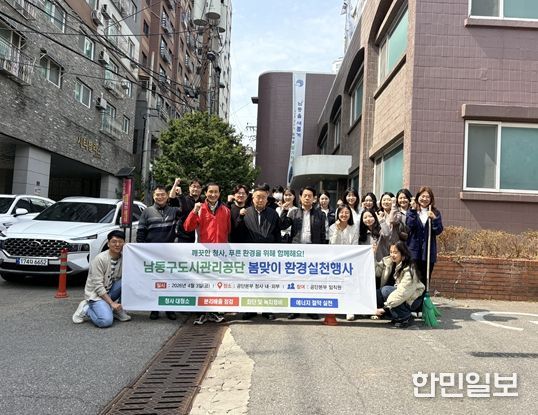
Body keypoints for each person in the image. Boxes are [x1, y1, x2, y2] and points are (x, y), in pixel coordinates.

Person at [184, 182, 231, 325]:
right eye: (210, 192)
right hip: (203, 253)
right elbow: (188, 227)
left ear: (220, 193)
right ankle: (202, 313)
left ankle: (214, 312)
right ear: (206, 193)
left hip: (220, 254)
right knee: (203, 283)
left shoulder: (225, 210)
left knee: (216, 283)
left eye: (216, 192)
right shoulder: (200, 208)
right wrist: (194, 212)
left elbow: (228, 230)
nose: (213, 194)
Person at [280, 186, 326, 320]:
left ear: (314, 198)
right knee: (296, 281)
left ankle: (311, 309)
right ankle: (294, 309)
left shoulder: (320, 214)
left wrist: (323, 252)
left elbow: (323, 235)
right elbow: (282, 226)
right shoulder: (293, 213)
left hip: (313, 252)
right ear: (300, 197)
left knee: (312, 282)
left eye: (310, 196)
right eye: (304, 195)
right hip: (297, 252)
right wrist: (284, 210)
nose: (307, 198)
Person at [239, 184, 283, 320]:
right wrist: (240, 218)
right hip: (249, 255)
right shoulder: (245, 212)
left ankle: (267, 309)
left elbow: (277, 233)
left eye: (263, 197)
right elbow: (237, 233)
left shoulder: (273, 213)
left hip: (268, 256)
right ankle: (249, 309)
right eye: (258, 197)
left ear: (267, 199)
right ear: (252, 198)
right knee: (250, 283)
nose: (260, 200)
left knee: (267, 283)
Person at [137, 185, 181, 321]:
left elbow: (185, 212)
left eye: (163, 194)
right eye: (157, 195)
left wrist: (178, 196)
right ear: (153, 196)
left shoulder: (174, 210)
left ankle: (169, 309)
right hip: (152, 254)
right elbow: (141, 231)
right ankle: (154, 308)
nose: (160, 197)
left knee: (169, 281)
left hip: (170, 253)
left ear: (167, 196)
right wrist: (140, 251)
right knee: (154, 282)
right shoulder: (147, 211)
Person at [72, 230, 131, 328]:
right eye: (114, 242)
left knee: (128, 280)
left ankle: (117, 311)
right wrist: (111, 303)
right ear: (108, 243)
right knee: (105, 321)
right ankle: (86, 309)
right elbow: (98, 286)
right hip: (97, 295)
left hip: (110, 291)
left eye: (120, 242)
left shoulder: (124, 258)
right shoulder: (100, 259)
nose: (117, 244)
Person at [374, 241, 425, 328]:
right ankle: (393, 315)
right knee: (377, 294)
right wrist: (372, 255)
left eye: (395, 252)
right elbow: (376, 271)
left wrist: (385, 308)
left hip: (412, 299)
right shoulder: (387, 261)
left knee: (386, 290)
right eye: (391, 252)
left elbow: (402, 293)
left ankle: (405, 317)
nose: (392, 255)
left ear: (403, 253)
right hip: (396, 296)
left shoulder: (409, 270)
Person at [406, 186, 444, 286]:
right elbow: (409, 226)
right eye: (423, 196)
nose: (425, 199)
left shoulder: (435, 212)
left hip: (428, 250)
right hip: (414, 250)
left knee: (424, 280)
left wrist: (434, 219)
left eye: (428, 197)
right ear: (418, 197)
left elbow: (438, 230)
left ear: (431, 199)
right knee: (412, 278)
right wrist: (413, 210)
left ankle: (423, 295)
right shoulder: (412, 210)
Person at [168, 178, 203, 243]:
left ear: (201, 189)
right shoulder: (182, 199)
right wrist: (175, 184)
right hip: (181, 237)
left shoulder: (203, 203)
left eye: (198, 187)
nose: (196, 189)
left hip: (198, 238)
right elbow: (171, 199)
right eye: (194, 186)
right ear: (189, 188)